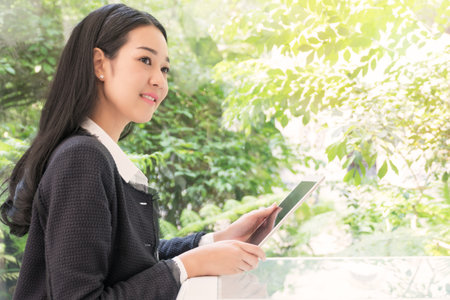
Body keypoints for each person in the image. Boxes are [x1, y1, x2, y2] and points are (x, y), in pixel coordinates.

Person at [0, 3, 280, 299]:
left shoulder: (97, 155)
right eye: (145, 60)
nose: (159, 80)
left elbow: (130, 259)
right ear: (99, 64)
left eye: (164, 68)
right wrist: (187, 266)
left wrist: (214, 241)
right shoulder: (82, 158)